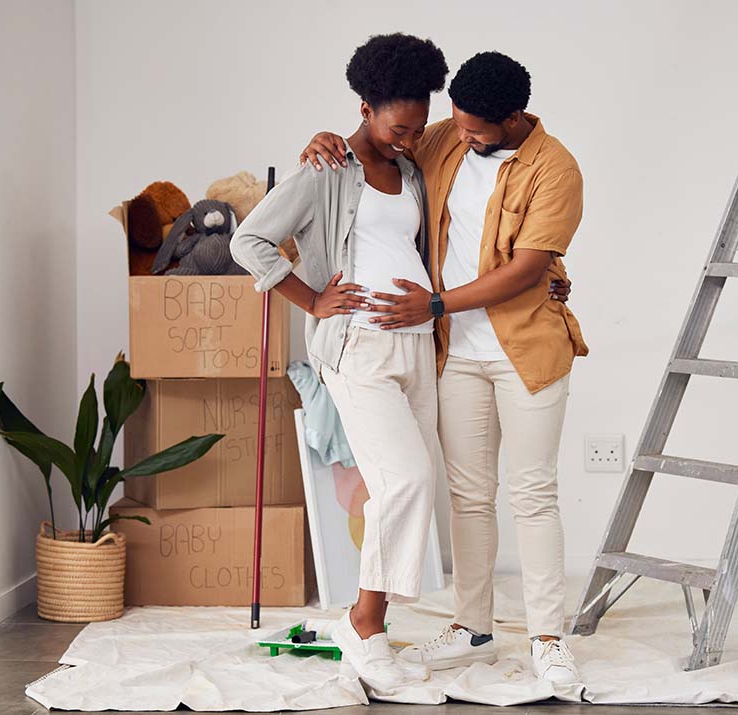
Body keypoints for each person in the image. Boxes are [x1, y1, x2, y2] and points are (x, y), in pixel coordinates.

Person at [301, 50, 588, 685]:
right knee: (467, 494)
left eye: (473, 129)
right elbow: (377, 141)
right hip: (455, 355)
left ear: (511, 119)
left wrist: (432, 304)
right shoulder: (442, 139)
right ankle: (473, 627)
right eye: (453, 123)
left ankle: (547, 637)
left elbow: (528, 268)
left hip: (526, 350)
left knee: (533, 493)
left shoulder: (556, 168)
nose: (457, 135)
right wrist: (326, 142)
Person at [230, 33, 450, 692]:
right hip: (357, 345)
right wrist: (312, 299)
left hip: (415, 341)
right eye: (398, 125)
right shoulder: (327, 169)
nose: (410, 137)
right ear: (365, 106)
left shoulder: (411, 169)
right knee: (405, 478)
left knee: (415, 480)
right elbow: (251, 240)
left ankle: (370, 624)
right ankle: (364, 623)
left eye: (419, 125)